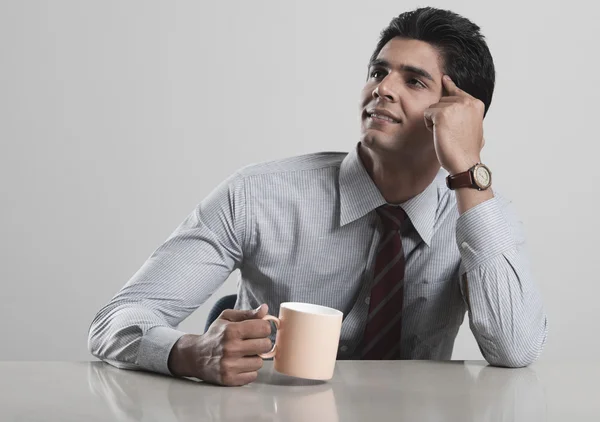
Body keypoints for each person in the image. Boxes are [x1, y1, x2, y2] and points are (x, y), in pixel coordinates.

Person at [88, 6, 548, 386]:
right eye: (378, 71)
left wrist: (470, 172)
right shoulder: (256, 196)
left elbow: (515, 348)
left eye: (414, 81)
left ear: (460, 114)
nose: (382, 89)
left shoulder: (479, 215)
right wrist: (189, 352)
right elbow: (116, 320)